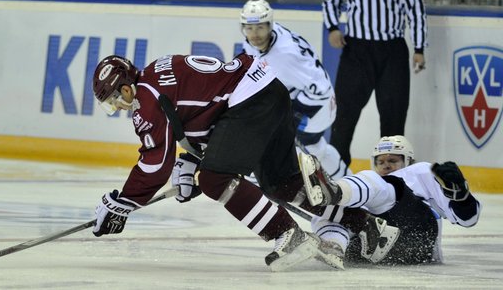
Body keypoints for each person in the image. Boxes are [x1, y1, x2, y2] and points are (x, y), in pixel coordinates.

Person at [89, 53, 397, 271]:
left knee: (215, 180)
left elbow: (154, 166)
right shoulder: (157, 72)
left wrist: (121, 204)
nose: (119, 106)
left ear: (126, 88)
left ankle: (287, 234)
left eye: (115, 99)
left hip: (250, 102)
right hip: (268, 92)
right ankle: (368, 226)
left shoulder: (146, 100)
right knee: (281, 183)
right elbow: (207, 113)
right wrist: (190, 161)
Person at [310, 135, 482, 266]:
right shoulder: (368, 186)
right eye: (381, 161)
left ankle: (335, 191)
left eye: (393, 160)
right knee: (331, 208)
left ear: (409, 161)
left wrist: (461, 196)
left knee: (381, 186)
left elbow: (468, 220)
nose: (386, 165)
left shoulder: (420, 172)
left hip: (417, 240)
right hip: (373, 252)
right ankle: (334, 245)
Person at [322, 0, 428, 166]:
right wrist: (333, 27)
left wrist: (419, 47)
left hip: (393, 51)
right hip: (357, 50)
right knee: (344, 114)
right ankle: (336, 173)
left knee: (394, 114)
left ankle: (394, 175)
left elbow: (416, 9)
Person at [240, 0, 350, 180]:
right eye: (249, 28)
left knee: (275, 147)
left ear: (269, 25)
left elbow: (321, 89)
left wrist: (294, 115)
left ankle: (258, 185)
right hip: (308, 101)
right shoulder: (257, 40)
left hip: (318, 108)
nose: (254, 34)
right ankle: (349, 181)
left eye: (260, 27)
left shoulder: (286, 54)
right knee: (314, 147)